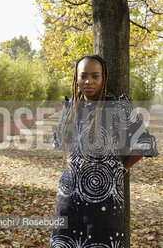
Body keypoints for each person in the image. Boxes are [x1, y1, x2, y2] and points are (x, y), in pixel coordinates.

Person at [49, 54, 158, 248]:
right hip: (69, 197)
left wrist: (121, 168)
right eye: (83, 76)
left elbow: (145, 143)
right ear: (76, 78)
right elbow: (63, 143)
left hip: (105, 200)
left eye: (95, 76)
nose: (88, 81)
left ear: (103, 78)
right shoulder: (71, 106)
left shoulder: (118, 106)